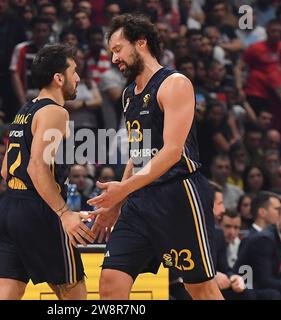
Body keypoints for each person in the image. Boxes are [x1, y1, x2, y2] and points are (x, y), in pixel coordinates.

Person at [88, 14, 223, 300]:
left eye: (117, 49)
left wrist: (123, 189)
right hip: (139, 202)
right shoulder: (128, 95)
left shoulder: (174, 83)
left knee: (200, 289)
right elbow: (136, 154)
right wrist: (118, 202)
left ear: (141, 43)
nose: (114, 59)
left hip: (178, 197)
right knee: (110, 283)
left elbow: (172, 152)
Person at [0, 44, 95, 300]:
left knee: (6, 294)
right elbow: (36, 166)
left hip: (9, 209)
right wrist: (64, 213)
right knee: (74, 295)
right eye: (74, 71)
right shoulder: (55, 112)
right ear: (58, 78)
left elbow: (6, 170)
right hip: (39, 211)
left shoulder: (25, 110)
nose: (78, 78)